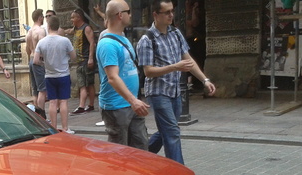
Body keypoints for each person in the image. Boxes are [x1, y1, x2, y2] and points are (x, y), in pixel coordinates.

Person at [137, 0, 216, 164]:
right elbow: (148, 72)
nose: (171, 15)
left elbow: (188, 60)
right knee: (172, 132)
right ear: (155, 15)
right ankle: (179, 170)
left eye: (172, 11)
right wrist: (174, 67)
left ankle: (141, 156)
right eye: (166, 12)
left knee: (167, 130)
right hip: (158, 93)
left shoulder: (175, 33)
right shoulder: (147, 39)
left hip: (175, 91)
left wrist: (205, 80)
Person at [96, 1, 149, 149]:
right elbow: (112, 77)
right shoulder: (107, 44)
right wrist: (134, 100)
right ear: (120, 15)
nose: (131, 15)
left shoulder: (123, 38)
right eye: (128, 12)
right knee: (119, 153)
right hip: (117, 107)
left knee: (141, 148)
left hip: (132, 104)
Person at [34, 15, 77, 133]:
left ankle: (53, 127)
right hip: (63, 75)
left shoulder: (42, 42)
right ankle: (65, 128)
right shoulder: (65, 41)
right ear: (58, 27)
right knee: (63, 101)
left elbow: (35, 61)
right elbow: (74, 57)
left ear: (48, 26)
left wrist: (45, 63)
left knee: (52, 102)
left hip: (49, 76)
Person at [70, 9, 96, 114]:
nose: (71, 20)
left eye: (73, 17)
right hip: (79, 61)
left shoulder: (86, 28)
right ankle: (87, 105)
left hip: (85, 60)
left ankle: (86, 105)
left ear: (78, 18)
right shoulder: (76, 28)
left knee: (88, 83)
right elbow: (69, 31)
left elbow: (92, 43)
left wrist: (90, 58)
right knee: (83, 84)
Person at [26, 9, 48, 119]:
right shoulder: (40, 31)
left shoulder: (29, 32)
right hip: (38, 61)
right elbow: (43, 48)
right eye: (43, 17)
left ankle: (36, 116)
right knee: (42, 90)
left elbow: (27, 50)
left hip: (31, 60)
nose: (43, 19)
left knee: (35, 90)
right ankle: (42, 116)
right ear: (40, 18)